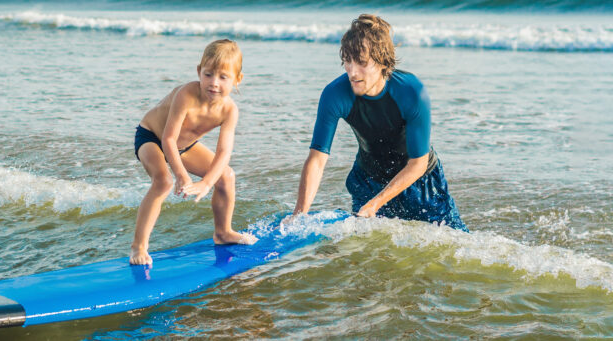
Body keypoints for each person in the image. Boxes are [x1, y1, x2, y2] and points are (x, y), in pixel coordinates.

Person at [287, 14, 467, 231]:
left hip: (421, 182)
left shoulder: (411, 92)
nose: (352, 71)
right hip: (369, 179)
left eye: (361, 62)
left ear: (382, 61)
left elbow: (418, 163)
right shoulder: (334, 95)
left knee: (451, 242)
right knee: (372, 252)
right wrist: (299, 215)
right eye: (347, 61)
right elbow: (317, 160)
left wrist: (375, 204)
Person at [131, 39, 258, 265]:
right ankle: (138, 246)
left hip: (184, 147)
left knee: (226, 176)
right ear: (199, 71)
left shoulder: (229, 110)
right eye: (208, 74)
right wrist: (182, 175)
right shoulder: (187, 95)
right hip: (152, 136)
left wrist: (207, 183)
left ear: (238, 79)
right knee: (164, 182)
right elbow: (168, 138)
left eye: (223, 77)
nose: (214, 83)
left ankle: (223, 233)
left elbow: (224, 151)